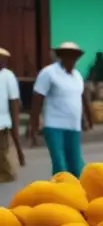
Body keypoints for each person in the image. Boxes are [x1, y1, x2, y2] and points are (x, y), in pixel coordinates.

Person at [30, 41, 93, 176]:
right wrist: (34, 123)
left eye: (75, 56)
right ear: (61, 56)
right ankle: (61, 193)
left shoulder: (77, 76)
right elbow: (37, 99)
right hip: (54, 125)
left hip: (73, 125)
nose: (72, 59)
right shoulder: (48, 73)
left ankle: (77, 192)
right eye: (68, 55)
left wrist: (86, 119)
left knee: (76, 165)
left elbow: (81, 99)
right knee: (60, 165)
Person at [0, 48, 25, 182]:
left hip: (2, 120)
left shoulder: (8, 75)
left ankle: (7, 174)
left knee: (2, 151)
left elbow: (14, 100)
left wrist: (14, 121)